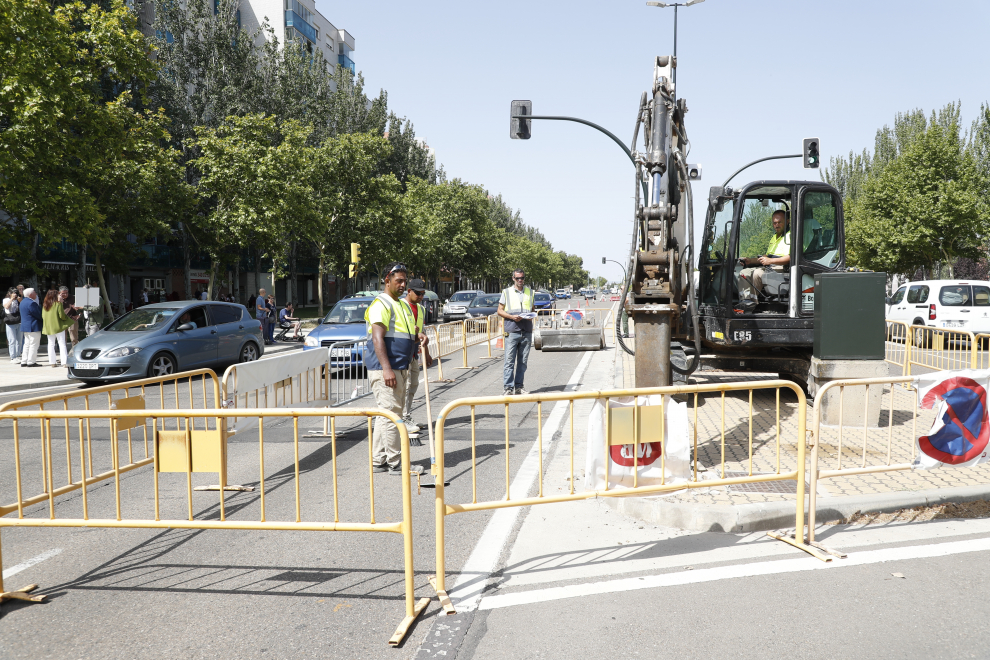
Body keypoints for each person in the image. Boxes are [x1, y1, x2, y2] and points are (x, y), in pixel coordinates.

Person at [364, 262, 423, 476]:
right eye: (399, 280)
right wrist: (387, 369)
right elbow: (378, 338)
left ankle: (379, 460)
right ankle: (396, 463)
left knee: (385, 414)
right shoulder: (382, 303)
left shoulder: (401, 304)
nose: (402, 284)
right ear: (387, 280)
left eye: (404, 281)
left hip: (399, 366)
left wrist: (418, 338)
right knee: (392, 415)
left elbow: (404, 333)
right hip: (386, 369)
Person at [400, 279, 433, 438]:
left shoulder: (420, 309)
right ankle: (402, 419)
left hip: (414, 353)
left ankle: (407, 416)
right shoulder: (400, 306)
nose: (421, 296)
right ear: (409, 291)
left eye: (423, 293)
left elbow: (423, 333)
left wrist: (426, 354)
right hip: (402, 353)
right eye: (418, 293)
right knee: (404, 387)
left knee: (413, 385)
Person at [737, 209, 791, 301]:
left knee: (758, 273)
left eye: (779, 222)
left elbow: (792, 257)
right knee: (744, 273)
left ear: (787, 221)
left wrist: (770, 261)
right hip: (770, 265)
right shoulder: (775, 237)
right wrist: (750, 260)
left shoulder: (792, 235)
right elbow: (767, 256)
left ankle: (753, 302)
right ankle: (745, 301)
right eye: (774, 223)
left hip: (783, 267)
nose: (776, 225)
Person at [497, 269, 535, 396]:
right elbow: (500, 310)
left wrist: (530, 315)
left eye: (522, 278)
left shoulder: (530, 292)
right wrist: (512, 317)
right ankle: (508, 388)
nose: (520, 280)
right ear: (513, 278)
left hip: (526, 331)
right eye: (518, 278)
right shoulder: (506, 292)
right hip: (512, 330)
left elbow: (532, 309)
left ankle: (519, 387)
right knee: (509, 361)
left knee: (523, 362)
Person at [42, 289, 72, 367]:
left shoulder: (45, 305)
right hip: (58, 326)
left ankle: (52, 362)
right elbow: (62, 315)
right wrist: (67, 319)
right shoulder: (58, 304)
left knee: (51, 344)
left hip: (48, 327)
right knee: (62, 344)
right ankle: (64, 362)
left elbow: (43, 316)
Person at [20, 288, 43, 367]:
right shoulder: (32, 303)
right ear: (30, 295)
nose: (36, 294)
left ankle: (24, 360)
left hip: (26, 326)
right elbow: (38, 314)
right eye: (34, 293)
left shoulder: (22, 302)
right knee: (34, 344)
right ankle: (31, 361)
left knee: (27, 344)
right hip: (33, 326)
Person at [4, 288, 23, 364]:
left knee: (19, 340)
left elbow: (23, 307)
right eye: (13, 293)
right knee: (12, 340)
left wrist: (20, 300)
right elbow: (6, 307)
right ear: (10, 293)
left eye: (16, 293)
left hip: (19, 321)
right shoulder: (6, 300)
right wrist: (11, 299)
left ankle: (18, 355)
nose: (15, 294)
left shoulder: (18, 300)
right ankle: (13, 357)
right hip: (10, 322)